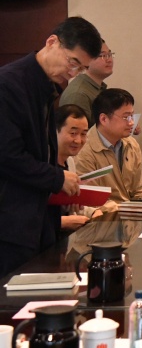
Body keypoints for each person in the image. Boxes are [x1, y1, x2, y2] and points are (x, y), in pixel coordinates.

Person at [0, 16, 102, 277]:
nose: (73, 73)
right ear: (52, 42)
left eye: (81, 69)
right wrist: (57, 178)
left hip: (38, 222)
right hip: (11, 225)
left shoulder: (46, 87)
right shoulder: (9, 84)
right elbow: (8, 155)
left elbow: (41, 153)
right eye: (72, 62)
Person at [75, 88, 142, 213]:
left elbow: (139, 192)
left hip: (129, 218)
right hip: (100, 220)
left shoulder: (132, 145)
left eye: (132, 116)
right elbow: (91, 201)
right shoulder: (84, 150)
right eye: (126, 117)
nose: (132, 123)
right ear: (104, 119)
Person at [55, 104, 102, 231]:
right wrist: (60, 222)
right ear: (55, 131)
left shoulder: (70, 162)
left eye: (83, 134)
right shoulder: (43, 166)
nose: (78, 140)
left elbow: (69, 206)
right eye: (73, 133)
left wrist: (92, 212)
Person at [59, 40, 113, 127]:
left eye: (109, 54)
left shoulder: (98, 87)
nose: (109, 60)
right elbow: (77, 132)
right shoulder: (79, 94)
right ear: (86, 59)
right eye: (103, 55)